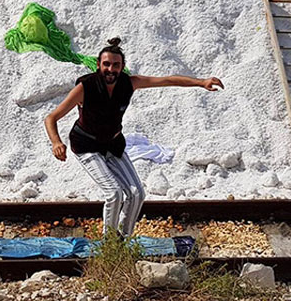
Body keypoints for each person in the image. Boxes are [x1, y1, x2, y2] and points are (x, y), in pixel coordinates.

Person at [44, 38, 223, 237]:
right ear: (98, 65)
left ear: (122, 67)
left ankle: (124, 239)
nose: (110, 69)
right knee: (114, 194)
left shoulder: (129, 83)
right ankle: (109, 242)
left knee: (137, 194)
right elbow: (51, 118)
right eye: (106, 64)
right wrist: (56, 142)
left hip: (113, 143)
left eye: (116, 65)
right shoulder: (85, 88)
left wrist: (201, 82)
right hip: (86, 144)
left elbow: (167, 80)